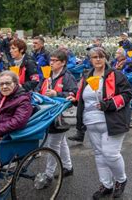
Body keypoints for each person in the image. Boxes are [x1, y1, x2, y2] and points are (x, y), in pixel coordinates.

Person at [68, 47, 131, 199]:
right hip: (91, 123)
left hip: (112, 121)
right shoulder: (86, 77)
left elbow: (127, 94)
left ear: (105, 59)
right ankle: (106, 184)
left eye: (100, 57)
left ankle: (121, 180)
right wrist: (75, 101)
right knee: (99, 154)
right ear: (90, 60)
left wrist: (109, 104)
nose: (97, 59)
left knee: (110, 154)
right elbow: (82, 98)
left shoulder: (116, 75)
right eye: (94, 57)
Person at [34, 50, 77, 188]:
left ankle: (48, 174)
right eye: (50, 60)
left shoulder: (67, 77)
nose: (51, 63)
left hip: (60, 117)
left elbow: (74, 93)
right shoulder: (48, 75)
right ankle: (68, 167)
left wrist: (56, 93)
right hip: (47, 115)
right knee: (60, 142)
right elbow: (39, 88)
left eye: (54, 60)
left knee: (53, 144)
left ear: (63, 62)